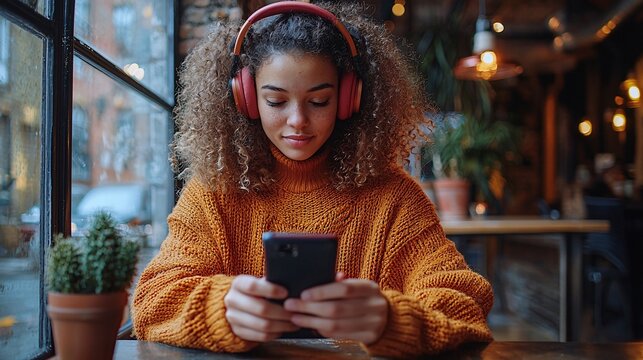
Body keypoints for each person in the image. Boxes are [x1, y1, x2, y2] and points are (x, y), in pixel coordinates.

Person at [132, 1, 493, 357]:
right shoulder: (214, 193)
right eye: (275, 102)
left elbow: (465, 306)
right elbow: (153, 302)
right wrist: (219, 309)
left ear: (350, 99)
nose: (298, 121)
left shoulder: (395, 199)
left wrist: (391, 319)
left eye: (319, 101)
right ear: (245, 98)